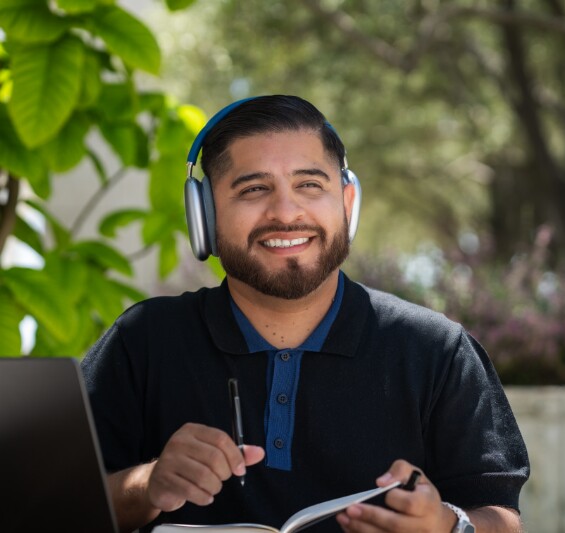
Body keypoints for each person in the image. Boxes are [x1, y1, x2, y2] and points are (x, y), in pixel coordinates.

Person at [81, 95, 530, 533]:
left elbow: (502, 517)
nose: (285, 212)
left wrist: (446, 527)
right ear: (204, 214)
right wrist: (146, 485)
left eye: (310, 185)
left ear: (347, 203)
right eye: (254, 189)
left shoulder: (438, 350)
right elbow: (50, 506)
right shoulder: (141, 341)